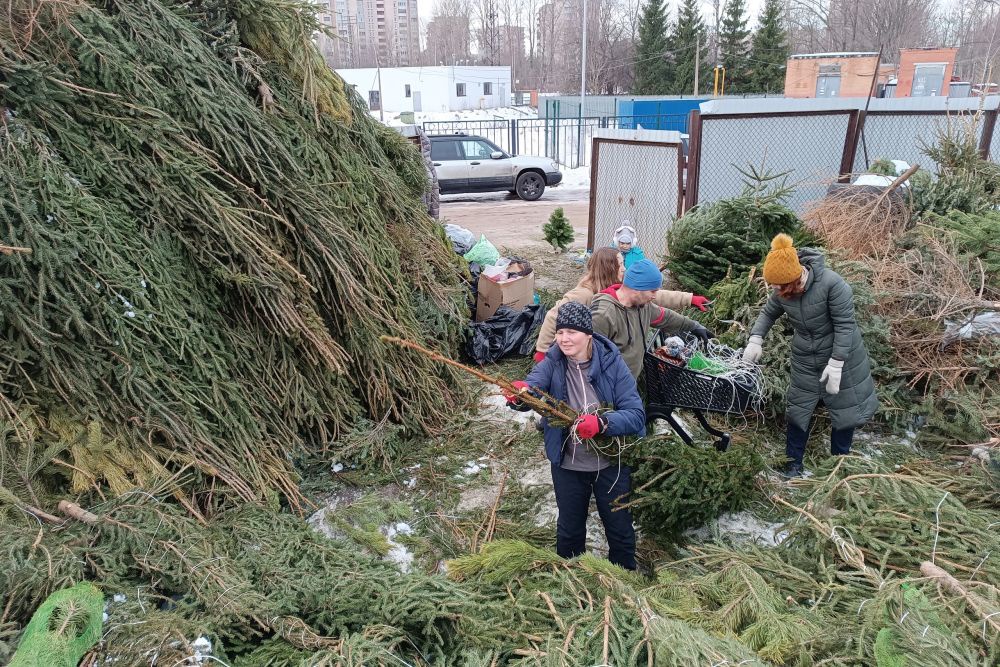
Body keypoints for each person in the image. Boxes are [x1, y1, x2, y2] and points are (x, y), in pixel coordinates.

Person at [505, 302, 645, 570]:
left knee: (618, 525)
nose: (564, 339)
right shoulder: (554, 361)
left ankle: (623, 574)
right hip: (568, 463)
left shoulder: (612, 363)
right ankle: (570, 577)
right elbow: (533, 386)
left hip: (610, 462)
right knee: (569, 528)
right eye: (560, 332)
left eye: (571, 332)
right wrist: (521, 395)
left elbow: (636, 414)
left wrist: (602, 423)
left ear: (588, 334)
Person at [742, 233, 878, 478]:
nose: (774, 289)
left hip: (841, 356)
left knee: (844, 412)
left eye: (778, 285)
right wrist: (756, 339)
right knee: (798, 409)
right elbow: (768, 313)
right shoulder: (782, 290)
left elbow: (845, 326)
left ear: (794, 279)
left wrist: (836, 364)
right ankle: (792, 464)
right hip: (805, 357)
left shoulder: (833, 285)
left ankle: (839, 466)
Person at [533, 248, 711, 362]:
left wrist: (688, 299)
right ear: (609, 268)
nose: (624, 268)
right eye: (620, 264)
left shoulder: (624, 292)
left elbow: (654, 296)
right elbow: (553, 317)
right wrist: (543, 353)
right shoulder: (585, 295)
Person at [591, 258, 713, 379]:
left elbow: (666, 317)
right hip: (611, 385)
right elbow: (590, 359)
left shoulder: (643, 306)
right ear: (637, 289)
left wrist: (693, 326)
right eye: (653, 291)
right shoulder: (604, 314)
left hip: (629, 381)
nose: (655, 296)